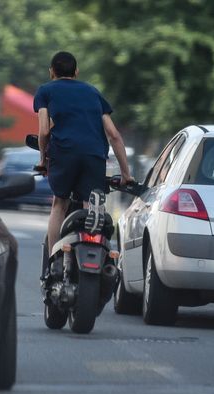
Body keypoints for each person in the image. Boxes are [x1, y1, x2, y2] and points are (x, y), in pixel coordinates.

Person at [33, 51, 133, 254]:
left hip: (64, 154)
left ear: (51, 71)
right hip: (94, 155)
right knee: (91, 204)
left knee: (59, 204)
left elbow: (44, 131)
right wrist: (126, 174)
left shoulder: (45, 91)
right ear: (76, 72)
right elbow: (114, 134)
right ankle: (94, 250)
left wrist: (43, 160)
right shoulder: (93, 92)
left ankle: (54, 258)